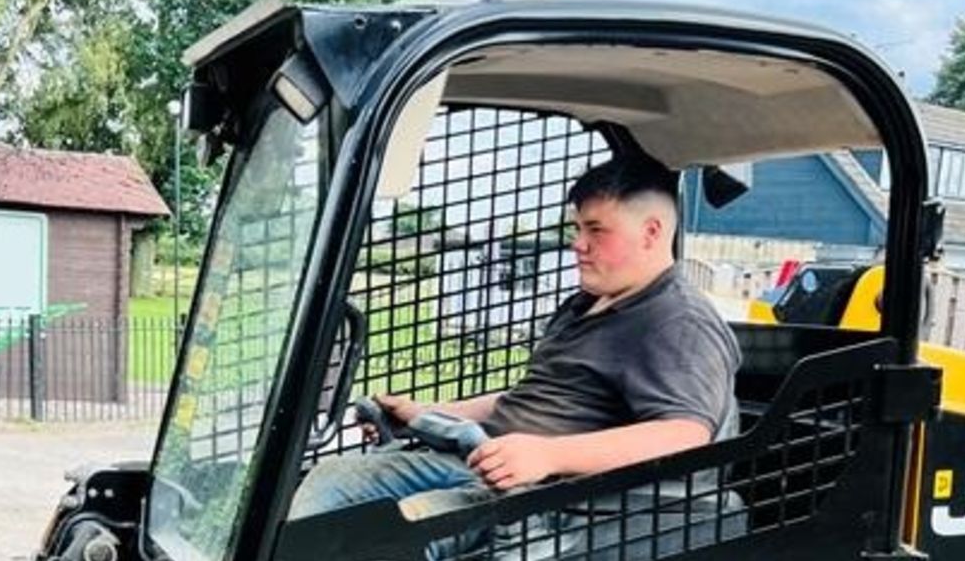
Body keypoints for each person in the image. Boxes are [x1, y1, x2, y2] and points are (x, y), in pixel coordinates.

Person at [292, 153, 741, 519]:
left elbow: (682, 434)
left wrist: (547, 456)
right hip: (481, 463)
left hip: (541, 501)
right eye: (577, 229)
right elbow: (530, 399)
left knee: (396, 533)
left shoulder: (676, 320)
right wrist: (427, 413)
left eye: (595, 230)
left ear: (651, 232)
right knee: (332, 480)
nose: (577, 244)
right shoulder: (587, 304)